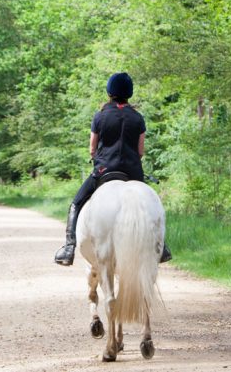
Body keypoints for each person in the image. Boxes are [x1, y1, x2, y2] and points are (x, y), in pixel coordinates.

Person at [54, 72, 173, 266]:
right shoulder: (138, 118)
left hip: (104, 170)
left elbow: (92, 148)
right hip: (133, 172)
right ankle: (161, 247)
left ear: (109, 92)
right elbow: (140, 150)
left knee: (76, 203)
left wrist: (99, 158)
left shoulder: (100, 116)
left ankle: (68, 248)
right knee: (149, 203)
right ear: (130, 94)